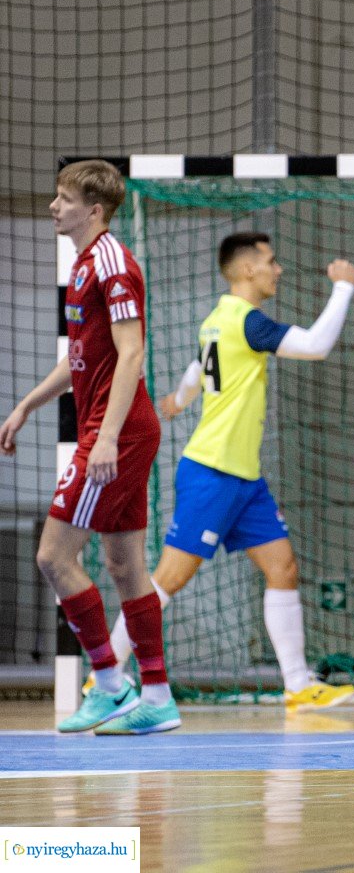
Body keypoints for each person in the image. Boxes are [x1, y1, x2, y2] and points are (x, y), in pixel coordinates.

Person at [97, 233, 354, 712]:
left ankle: (298, 684)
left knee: (282, 568)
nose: (277, 270)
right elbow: (317, 346)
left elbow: (200, 367)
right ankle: (106, 675)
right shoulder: (246, 321)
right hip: (213, 471)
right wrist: (342, 287)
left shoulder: (216, 319)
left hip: (245, 476)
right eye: (271, 261)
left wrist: (179, 400)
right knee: (170, 578)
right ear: (245, 271)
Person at [0, 160, 178, 735]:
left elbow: (131, 355)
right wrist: (28, 403)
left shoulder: (112, 265)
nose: (53, 206)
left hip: (117, 431)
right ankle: (157, 698)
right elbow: (81, 359)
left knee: (53, 556)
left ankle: (108, 684)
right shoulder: (82, 265)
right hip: (113, 427)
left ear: (93, 210)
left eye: (62, 198)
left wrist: (102, 438)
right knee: (126, 567)